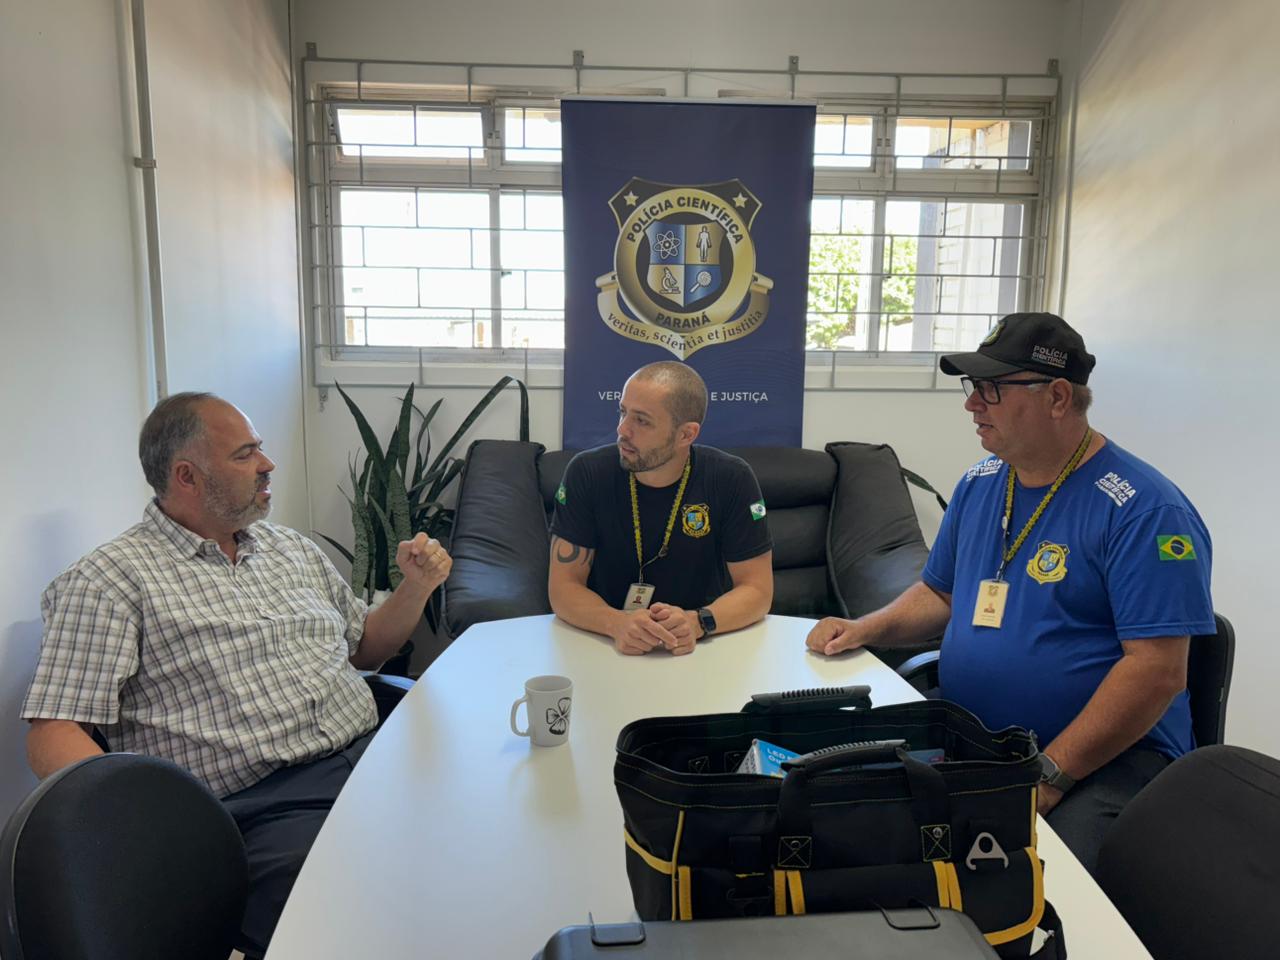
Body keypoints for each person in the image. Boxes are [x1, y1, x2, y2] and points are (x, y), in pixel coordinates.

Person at [21, 392, 451, 955]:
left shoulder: (289, 548)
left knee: (489, 841)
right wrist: (151, 826)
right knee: (391, 925)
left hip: (373, 758)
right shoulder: (110, 582)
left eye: (259, 449)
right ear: (187, 476)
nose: (267, 465)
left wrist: (416, 587)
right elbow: (53, 731)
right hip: (263, 809)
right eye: (245, 454)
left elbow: (366, 651)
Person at [805, 312, 1213, 876]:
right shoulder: (981, 483)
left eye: (992, 388)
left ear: (1058, 397)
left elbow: (1157, 671)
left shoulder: (1145, 510)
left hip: (1102, 761)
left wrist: (1050, 774)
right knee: (866, 830)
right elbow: (941, 594)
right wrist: (864, 628)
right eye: (973, 387)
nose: (973, 404)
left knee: (1037, 882)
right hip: (984, 742)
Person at [549, 361, 773, 655]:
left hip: (700, 648)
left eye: (642, 421)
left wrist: (698, 622)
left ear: (686, 435)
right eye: (623, 412)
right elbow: (563, 586)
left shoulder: (731, 479)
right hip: (604, 643)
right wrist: (616, 623)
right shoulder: (587, 473)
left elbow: (757, 589)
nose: (622, 429)